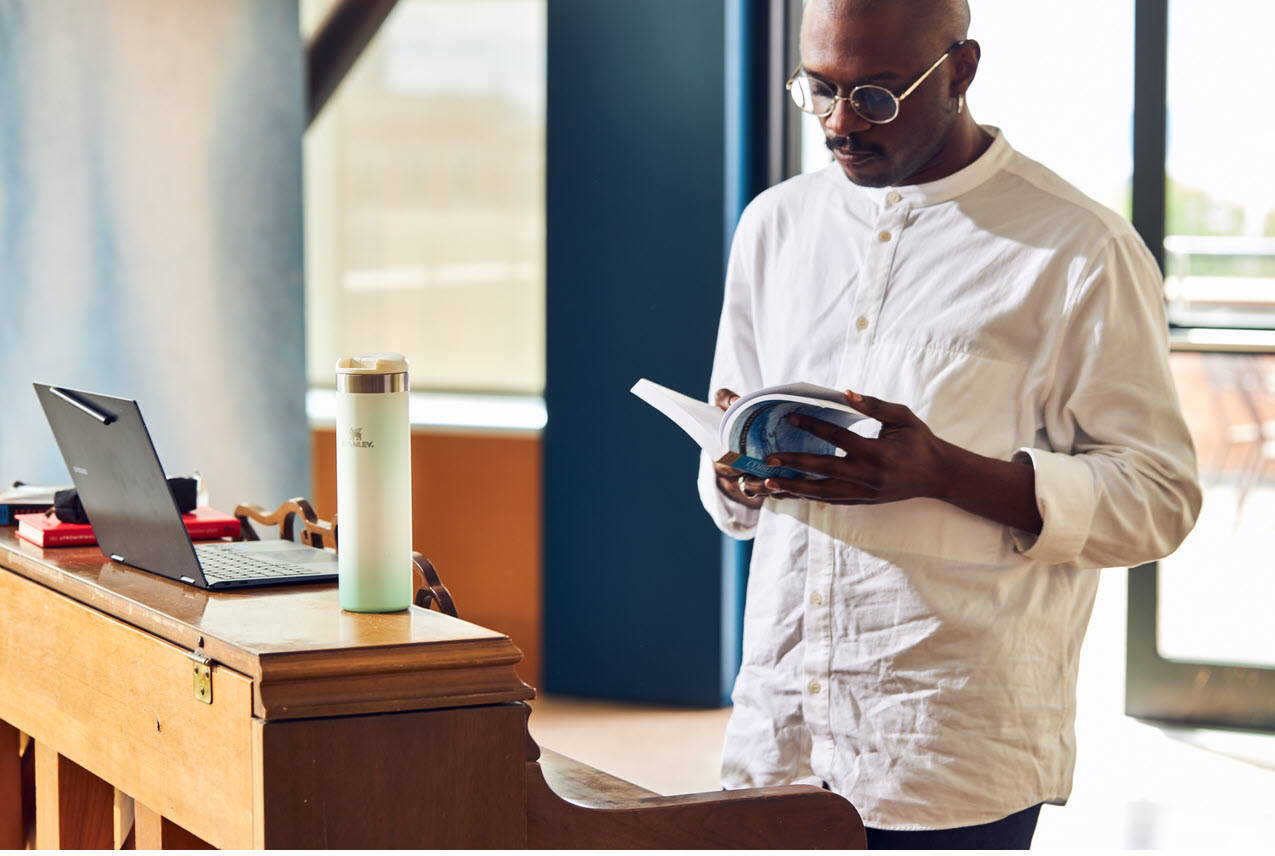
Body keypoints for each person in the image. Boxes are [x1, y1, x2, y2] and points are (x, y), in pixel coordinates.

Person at [697, 0, 1202, 849]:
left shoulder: (1078, 250)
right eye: (817, 91)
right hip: (777, 735)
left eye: (877, 97)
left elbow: (1158, 500)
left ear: (959, 71)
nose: (839, 125)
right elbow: (730, 439)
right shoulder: (774, 225)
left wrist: (941, 471)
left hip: (945, 750)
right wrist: (735, 470)